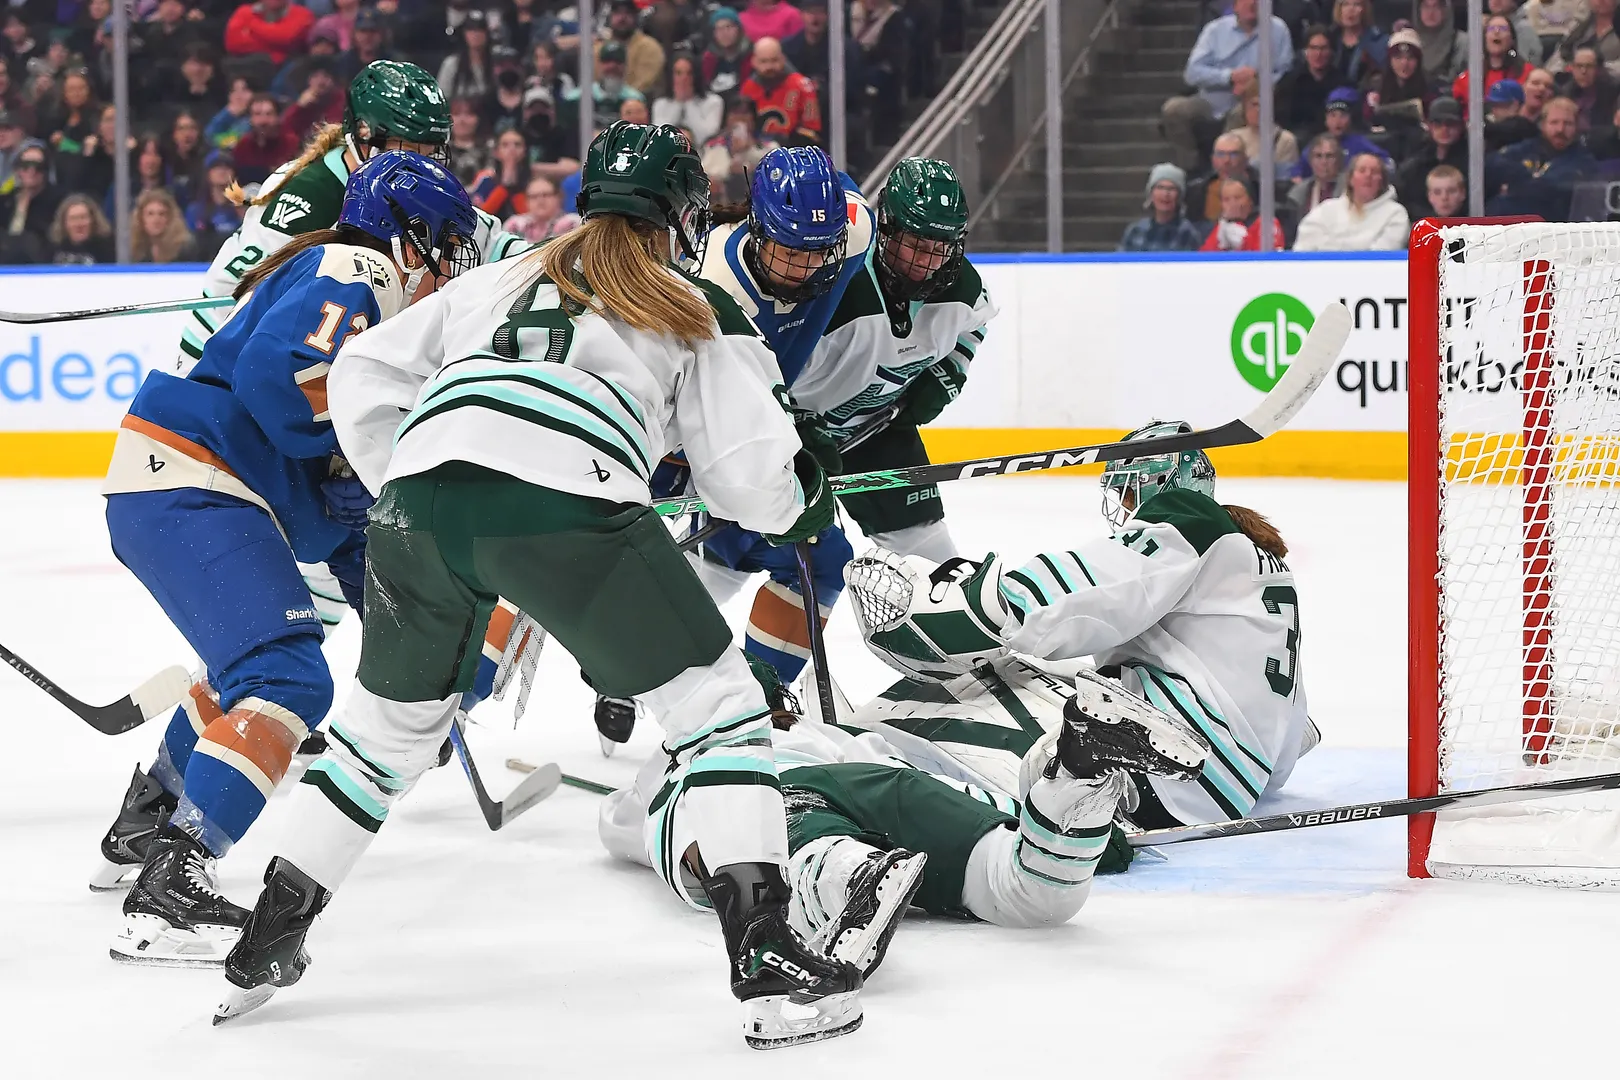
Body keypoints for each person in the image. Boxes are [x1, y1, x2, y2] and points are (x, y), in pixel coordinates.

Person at [215, 122, 864, 1051]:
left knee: (380, 738)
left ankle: (265, 940)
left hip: (419, 509)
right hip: (568, 506)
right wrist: (804, 500)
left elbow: (364, 366)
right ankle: (766, 959)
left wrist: (409, 475)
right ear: (685, 216)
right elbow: (749, 478)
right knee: (721, 711)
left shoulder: (500, 275)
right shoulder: (695, 302)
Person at [99, 151, 477, 965]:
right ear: (410, 238)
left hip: (185, 480)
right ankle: (171, 887)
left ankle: (148, 821)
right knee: (287, 679)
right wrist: (360, 450)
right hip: (193, 478)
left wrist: (423, 662)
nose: (448, 271)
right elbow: (278, 380)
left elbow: (333, 534)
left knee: (250, 672)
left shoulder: (359, 287)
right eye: (446, 248)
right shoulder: (362, 268)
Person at [835, 418, 1314, 844]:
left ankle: (847, 767)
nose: (1124, 506)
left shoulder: (1190, 520)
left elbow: (1094, 591)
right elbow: (1292, 736)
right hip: (1218, 787)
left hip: (1161, 775)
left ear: (1160, 483)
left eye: (1127, 491)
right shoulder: (1257, 563)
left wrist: (990, 606)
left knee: (967, 687)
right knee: (1047, 675)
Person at [602, 655, 1206, 972]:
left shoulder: (693, 750)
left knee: (771, 835)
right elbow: (913, 786)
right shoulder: (836, 736)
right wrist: (1049, 824)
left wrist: (635, 798)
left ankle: (848, 875)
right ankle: (1076, 777)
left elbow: (626, 828)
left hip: (780, 793)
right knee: (1027, 895)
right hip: (878, 784)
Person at [598, 145, 875, 746]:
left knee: (814, 556)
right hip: (686, 427)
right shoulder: (714, 284)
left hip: (756, 418)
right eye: (789, 252)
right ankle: (633, 657)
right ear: (757, 230)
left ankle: (752, 697)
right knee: (621, 543)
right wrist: (785, 436)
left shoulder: (853, 229)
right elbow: (707, 402)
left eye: (818, 251)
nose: (805, 269)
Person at [1161, 0, 1294, 171]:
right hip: (1210, 102)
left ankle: (1226, 171)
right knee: (1173, 109)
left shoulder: (1278, 30)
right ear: (1235, 5)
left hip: (1249, 102)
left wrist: (1253, 85)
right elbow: (1192, 73)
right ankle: (1191, 168)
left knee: (1240, 113)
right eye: (1246, 1)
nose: (1252, 4)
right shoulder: (1214, 30)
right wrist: (1230, 77)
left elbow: (1285, 72)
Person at [1486, 94, 1597, 217]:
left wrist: (1512, 186)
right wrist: (1524, 176)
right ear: (1543, 125)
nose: (1560, 129)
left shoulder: (1584, 162)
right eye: (1554, 122)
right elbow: (1492, 163)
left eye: (1568, 123)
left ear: (1576, 127)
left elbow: (1551, 189)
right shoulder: (1528, 148)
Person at [1294, 150, 1411, 249]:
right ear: (1350, 179)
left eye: (1374, 172)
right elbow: (1304, 247)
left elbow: (1383, 254)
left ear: (1381, 181)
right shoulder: (1326, 209)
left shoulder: (1395, 213)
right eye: (1362, 170)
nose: (1368, 175)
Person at [1287, 86, 1391, 179]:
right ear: (1326, 120)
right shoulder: (1317, 144)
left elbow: (1386, 163)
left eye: (1343, 116)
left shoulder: (1360, 143)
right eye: (1332, 115)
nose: (1337, 121)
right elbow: (1297, 172)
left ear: (1350, 119)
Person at [1396, 95, 1470, 216]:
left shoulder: (1474, 162)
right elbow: (1403, 199)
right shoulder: (1416, 163)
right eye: (1438, 124)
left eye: (1450, 124)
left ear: (1461, 126)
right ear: (1429, 126)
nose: (1444, 129)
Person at [741, 36, 822, 146]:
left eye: (774, 60)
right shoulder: (748, 88)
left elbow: (811, 132)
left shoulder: (802, 85)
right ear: (754, 62)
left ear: (783, 59)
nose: (769, 66)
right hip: (757, 149)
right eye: (763, 61)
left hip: (793, 149)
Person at [1454, 14, 1540, 108]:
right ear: (1485, 39)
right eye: (1491, 29)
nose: (1496, 32)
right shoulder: (1471, 76)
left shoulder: (1528, 73)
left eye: (1503, 28)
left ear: (1512, 40)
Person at [701, 94, 776, 200]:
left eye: (745, 113)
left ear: (753, 118)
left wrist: (749, 150)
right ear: (726, 118)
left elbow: (774, 173)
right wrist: (731, 163)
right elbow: (705, 175)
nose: (740, 117)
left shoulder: (769, 146)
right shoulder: (713, 146)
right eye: (735, 113)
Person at [1118, 162, 1206, 251]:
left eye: (1171, 188)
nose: (1165, 194)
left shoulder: (1187, 233)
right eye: (1160, 187)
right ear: (1151, 193)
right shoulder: (1135, 231)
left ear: (1179, 196)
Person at [1285, 24, 1349, 141]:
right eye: (1313, 48)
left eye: (1323, 48)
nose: (1318, 54)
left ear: (1331, 51)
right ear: (1305, 51)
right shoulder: (1290, 82)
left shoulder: (1342, 84)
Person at [566, 39, 646, 131]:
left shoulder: (636, 99)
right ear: (599, 64)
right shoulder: (576, 98)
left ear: (625, 65)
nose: (612, 66)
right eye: (607, 61)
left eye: (617, 61)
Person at [0, 140, 59, 264]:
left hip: (40, 265)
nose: (32, 171)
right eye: (25, 165)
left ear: (46, 170)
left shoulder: (58, 201)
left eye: (38, 166)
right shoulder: (4, 201)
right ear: (17, 169)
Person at [1185, 131, 1260, 227]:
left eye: (1233, 154)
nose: (1226, 160)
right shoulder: (1196, 192)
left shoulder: (1262, 189)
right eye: (1220, 154)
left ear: (1245, 159)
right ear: (1213, 159)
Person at [653, 52, 724, 146]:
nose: (684, 78)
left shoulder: (713, 102)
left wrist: (689, 102)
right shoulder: (660, 104)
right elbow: (659, 137)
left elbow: (706, 137)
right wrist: (678, 102)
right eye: (678, 73)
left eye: (689, 73)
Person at [1232, 84, 1300, 180]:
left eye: (1263, 104)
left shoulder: (1286, 139)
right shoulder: (1232, 137)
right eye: (1254, 104)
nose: (1258, 110)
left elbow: (1287, 179)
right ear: (1244, 107)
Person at [234, 93, 303, 185]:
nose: (263, 121)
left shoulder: (291, 143)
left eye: (269, 114)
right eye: (257, 114)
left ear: (278, 117)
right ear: (250, 119)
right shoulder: (242, 146)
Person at [1198, 177, 1285, 250]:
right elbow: (1204, 257)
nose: (1232, 203)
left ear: (1250, 199)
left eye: (1237, 197)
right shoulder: (1222, 226)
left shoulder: (1267, 223)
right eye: (1226, 199)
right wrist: (1218, 243)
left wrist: (1245, 242)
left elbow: (1271, 258)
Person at [601, 0, 666, 96]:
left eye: (627, 13)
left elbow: (643, 85)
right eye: (617, 13)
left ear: (636, 17)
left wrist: (617, 100)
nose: (622, 18)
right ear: (610, 17)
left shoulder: (650, 47)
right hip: (600, 101)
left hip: (638, 101)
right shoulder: (599, 47)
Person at [225, 0, 316, 66]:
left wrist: (251, 25)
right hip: (247, 64)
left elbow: (286, 37)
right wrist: (275, 50)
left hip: (285, 67)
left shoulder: (302, 14)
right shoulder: (244, 11)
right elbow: (233, 44)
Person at [467, 123, 529, 218]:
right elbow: (480, 217)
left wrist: (515, 188)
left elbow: (531, 217)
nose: (512, 149)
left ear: (524, 151)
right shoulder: (485, 178)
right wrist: (504, 186)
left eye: (517, 145)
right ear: (496, 152)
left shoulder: (534, 180)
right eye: (505, 145)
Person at [188, 148, 248, 240]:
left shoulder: (243, 207)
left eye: (227, 167)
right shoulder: (195, 210)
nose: (222, 171)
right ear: (207, 174)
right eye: (216, 167)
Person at [499, 172, 579, 239]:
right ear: (526, 201)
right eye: (534, 196)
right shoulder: (514, 225)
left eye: (546, 195)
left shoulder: (573, 224)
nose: (540, 201)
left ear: (559, 197)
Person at [1551, 0, 1620, 78]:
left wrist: (1592, 68)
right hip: (1571, 78)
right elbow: (1559, 56)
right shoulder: (1578, 26)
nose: (1601, 0)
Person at [437, 9, 493, 102]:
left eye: (480, 29)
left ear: (487, 34)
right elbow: (441, 100)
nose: (476, 34)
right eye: (471, 30)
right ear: (464, 34)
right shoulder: (451, 64)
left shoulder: (496, 62)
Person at [1557, 44, 1618, 128]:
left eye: (1589, 66)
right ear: (1572, 68)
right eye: (1579, 66)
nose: (1583, 71)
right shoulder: (1566, 92)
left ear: (1599, 69)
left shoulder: (1614, 91)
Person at [1329, 0, 1387, 84]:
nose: (1350, 9)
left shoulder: (1378, 39)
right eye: (1345, 4)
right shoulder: (1330, 37)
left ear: (1365, 9)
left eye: (1357, 4)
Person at [47, 192, 115, 263]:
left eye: (83, 217)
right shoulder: (53, 248)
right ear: (64, 223)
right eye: (73, 218)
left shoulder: (106, 248)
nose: (79, 224)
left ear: (93, 220)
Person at [1289, 132, 1345, 216]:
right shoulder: (1300, 191)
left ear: (1339, 159)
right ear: (1310, 160)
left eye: (1329, 156)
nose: (1324, 162)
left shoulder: (1349, 189)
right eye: (1318, 156)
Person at [702, 6, 753, 96]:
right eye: (719, 29)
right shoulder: (709, 58)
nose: (724, 33)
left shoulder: (750, 56)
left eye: (728, 27)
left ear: (739, 29)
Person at [1413, 0, 1467, 82]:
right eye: (1426, 6)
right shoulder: (1410, 42)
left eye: (1436, 6)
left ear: (1446, 10)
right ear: (1418, 10)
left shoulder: (1463, 43)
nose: (1431, 12)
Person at [1486, 78, 1541, 148]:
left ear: (1515, 105)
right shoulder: (1495, 127)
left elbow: (1507, 128)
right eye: (1492, 104)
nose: (1494, 109)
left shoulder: (1523, 126)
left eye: (1499, 104)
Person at [206, 76, 256, 150]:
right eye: (233, 91)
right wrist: (226, 114)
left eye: (244, 90)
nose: (238, 96)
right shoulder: (226, 117)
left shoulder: (257, 119)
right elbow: (210, 137)